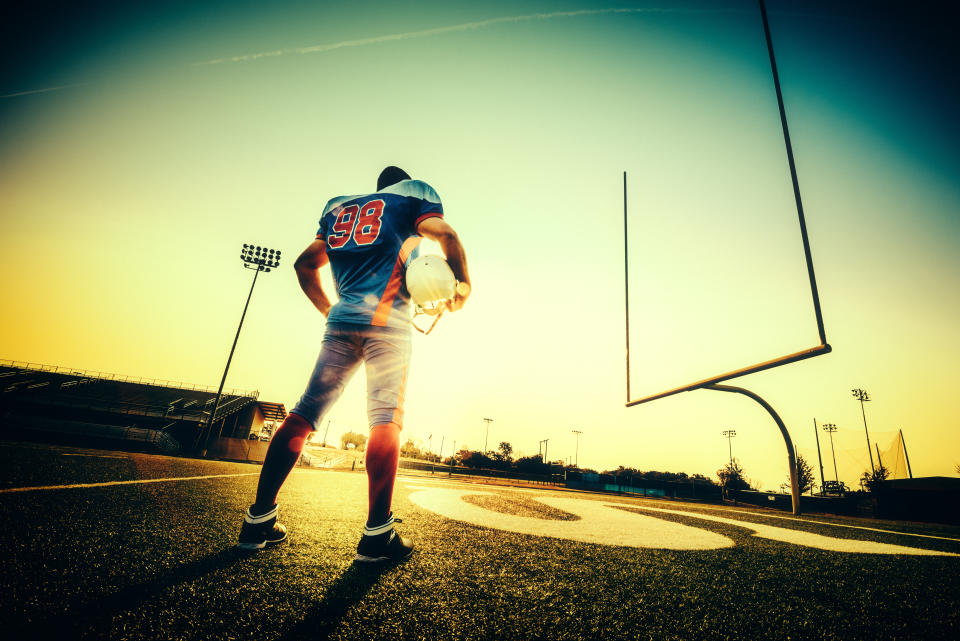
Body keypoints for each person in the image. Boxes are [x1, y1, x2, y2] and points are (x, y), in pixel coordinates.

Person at [237, 166, 470, 563]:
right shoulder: (412, 195)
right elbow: (445, 235)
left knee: (303, 415)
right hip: (388, 325)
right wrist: (463, 285)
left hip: (341, 323)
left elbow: (304, 264)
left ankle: (257, 520)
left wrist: (332, 310)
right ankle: (377, 534)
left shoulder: (338, 208)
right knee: (385, 420)